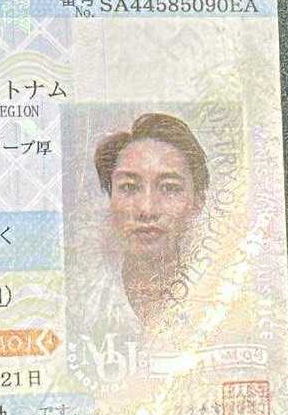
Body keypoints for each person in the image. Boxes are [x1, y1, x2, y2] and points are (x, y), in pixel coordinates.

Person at [87, 112, 209, 333]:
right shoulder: (88, 303)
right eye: (129, 187)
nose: (147, 209)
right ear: (110, 196)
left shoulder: (222, 296)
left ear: (198, 201)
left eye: (170, 188)